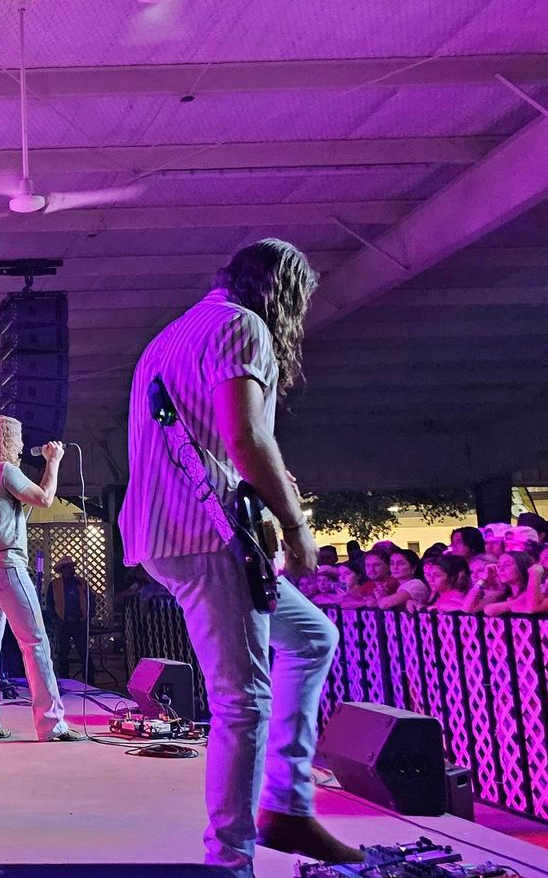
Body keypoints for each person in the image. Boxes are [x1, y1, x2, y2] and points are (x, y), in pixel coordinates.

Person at [121, 239, 357, 872]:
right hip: (206, 532)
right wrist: (296, 526)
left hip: (164, 529)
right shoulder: (242, 325)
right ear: (283, 289)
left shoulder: (171, 334)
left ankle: (286, 808)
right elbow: (246, 435)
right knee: (241, 701)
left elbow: (204, 439)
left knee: (313, 638)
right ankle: (230, 860)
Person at [0, 415, 74, 741]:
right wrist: (53, 462)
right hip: (5, 566)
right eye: (18, 438)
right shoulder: (3, 470)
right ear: (5, 439)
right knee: (35, 643)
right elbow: (45, 498)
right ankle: (52, 724)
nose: (21, 446)